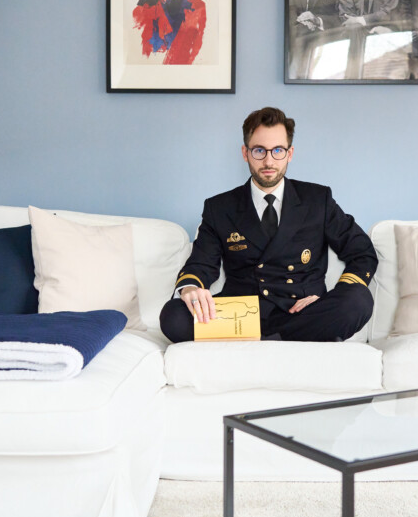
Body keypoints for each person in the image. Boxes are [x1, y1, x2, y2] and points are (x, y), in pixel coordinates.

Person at [159, 107, 377, 343]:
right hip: (241, 315)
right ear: (245, 153)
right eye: (259, 150)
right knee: (173, 316)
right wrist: (190, 289)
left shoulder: (317, 200)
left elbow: (362, 252)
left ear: (290, 153)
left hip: (303, 312)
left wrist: (327, 300)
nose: (268, 161)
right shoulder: (219, 207)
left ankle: (266, 339)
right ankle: (285, 339)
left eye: (278, 150)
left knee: (358, 300)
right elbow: (201, 263)